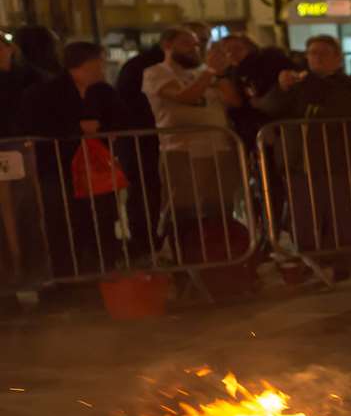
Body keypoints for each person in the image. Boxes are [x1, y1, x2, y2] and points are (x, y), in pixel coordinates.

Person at [256, 35, 351, 281]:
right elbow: (268, 108)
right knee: (304, 217)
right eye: (312, 53)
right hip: (301, 163)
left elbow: (346, 109)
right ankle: (311, 263)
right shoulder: (296, 86)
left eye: (323, 52)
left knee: (342, 216)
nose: (316, 57)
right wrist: (280, 88)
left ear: (338, 58)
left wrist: (310, 89)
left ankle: (342, 263)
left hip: (343, 162)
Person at [19, 42, 126, 277]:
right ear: (88, 63)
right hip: (59, 169)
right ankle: (69, 273)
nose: (104, 66)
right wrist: (76, 128)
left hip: (97, 168)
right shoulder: (44, 92)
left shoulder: (103, 91)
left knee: (103, 218)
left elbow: (119, 118)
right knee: (64, 221)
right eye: (101, 61)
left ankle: (103, 267)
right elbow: (35, 124)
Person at [114, 22, 210, 260]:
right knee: (149, 194)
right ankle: (149, 244)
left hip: (169, 141)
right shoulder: (149, 68)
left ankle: (179, 245)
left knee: (173, 197)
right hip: (147, 141)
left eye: (201, 41)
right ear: (169, 44)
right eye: (190, 42)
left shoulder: (190, 68)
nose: (197, 47)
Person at [143, 25, 245, 219]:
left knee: (221, 206)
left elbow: (234, 101)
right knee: (184, 208)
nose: (193, 48)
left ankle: (220, 246)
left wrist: (219, 75)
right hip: (182, 150)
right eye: (186, 43)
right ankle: (185, 246)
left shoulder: (206, 72)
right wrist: (209, 73)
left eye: (196, 44)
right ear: (167, 45)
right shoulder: (156, 73)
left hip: (219, 147)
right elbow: (186, 97)